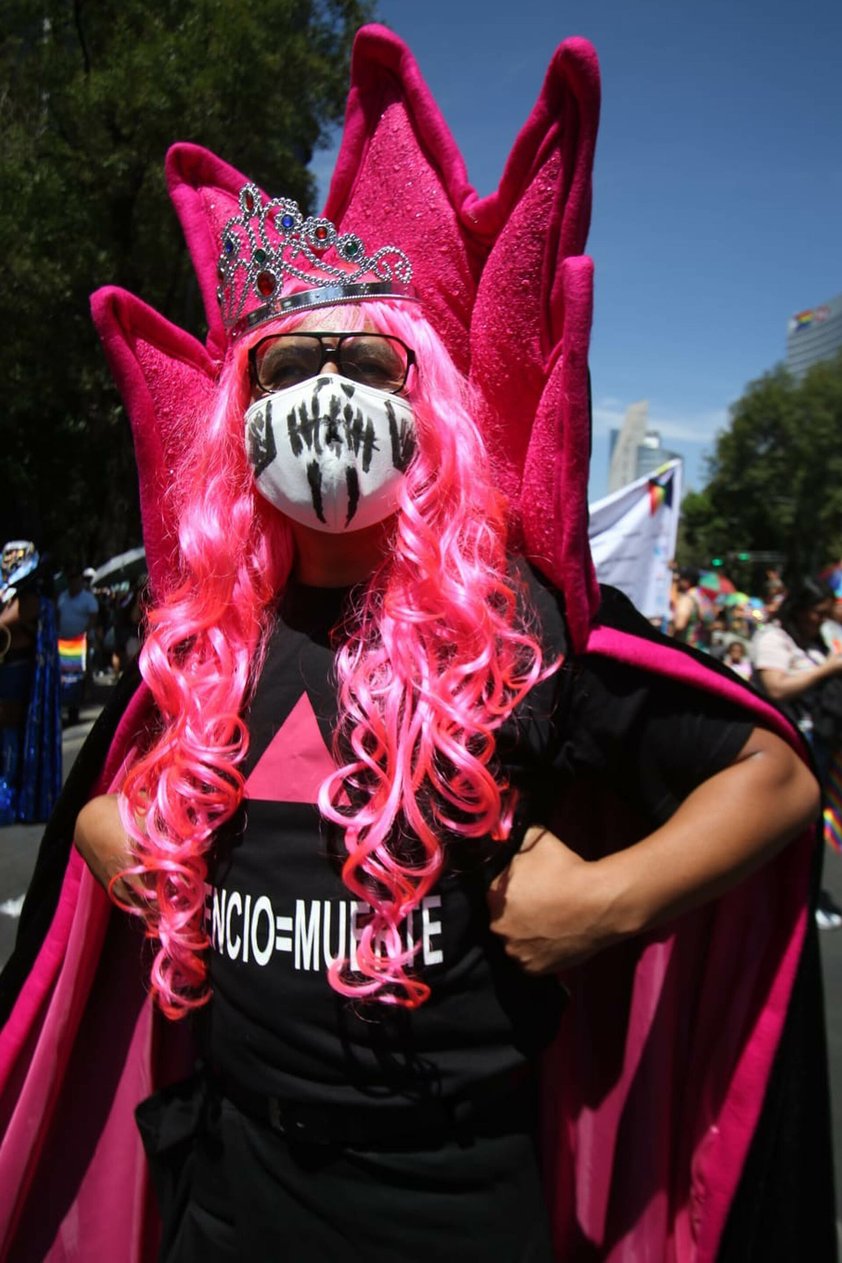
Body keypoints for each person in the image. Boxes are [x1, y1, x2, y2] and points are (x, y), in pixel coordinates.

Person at [0, 27, 834, 1263]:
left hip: (443, 1197)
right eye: (292, 364)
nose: (327, 397)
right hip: (226, 1179)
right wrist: (115, 831)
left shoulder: (516, 631)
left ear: (427, 405)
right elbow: (110, 789)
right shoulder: (212, 639)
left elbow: (775, 780)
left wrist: (604, 904)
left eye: (366, 365)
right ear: (242, 420)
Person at [751, 578, 842, 929]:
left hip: (817, 741)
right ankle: (785, 902)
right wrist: (828, 669)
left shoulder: (816, 638)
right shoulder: (774, 639)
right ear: (800, 611)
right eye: (816, 614)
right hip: (785, 743)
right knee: (787, 825)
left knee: (810, 823)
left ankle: (804, 896)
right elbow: (776, 687)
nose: (820, 620)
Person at [0, 540, 61, 824]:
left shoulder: (31, 601)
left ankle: (10, 793)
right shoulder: (12, 597)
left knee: (11, 733)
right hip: (9, 672)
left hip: (17, 673)